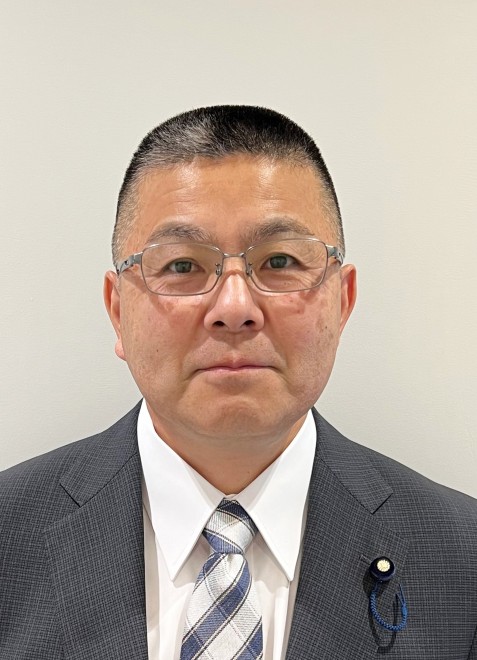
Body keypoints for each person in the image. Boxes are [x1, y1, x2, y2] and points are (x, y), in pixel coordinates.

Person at [1, 106, 476, 660]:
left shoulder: (462, 557)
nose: (233, 308)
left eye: (280, 260)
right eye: (182, 266)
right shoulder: (10, 537)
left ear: (342, 301)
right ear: (118, 312)